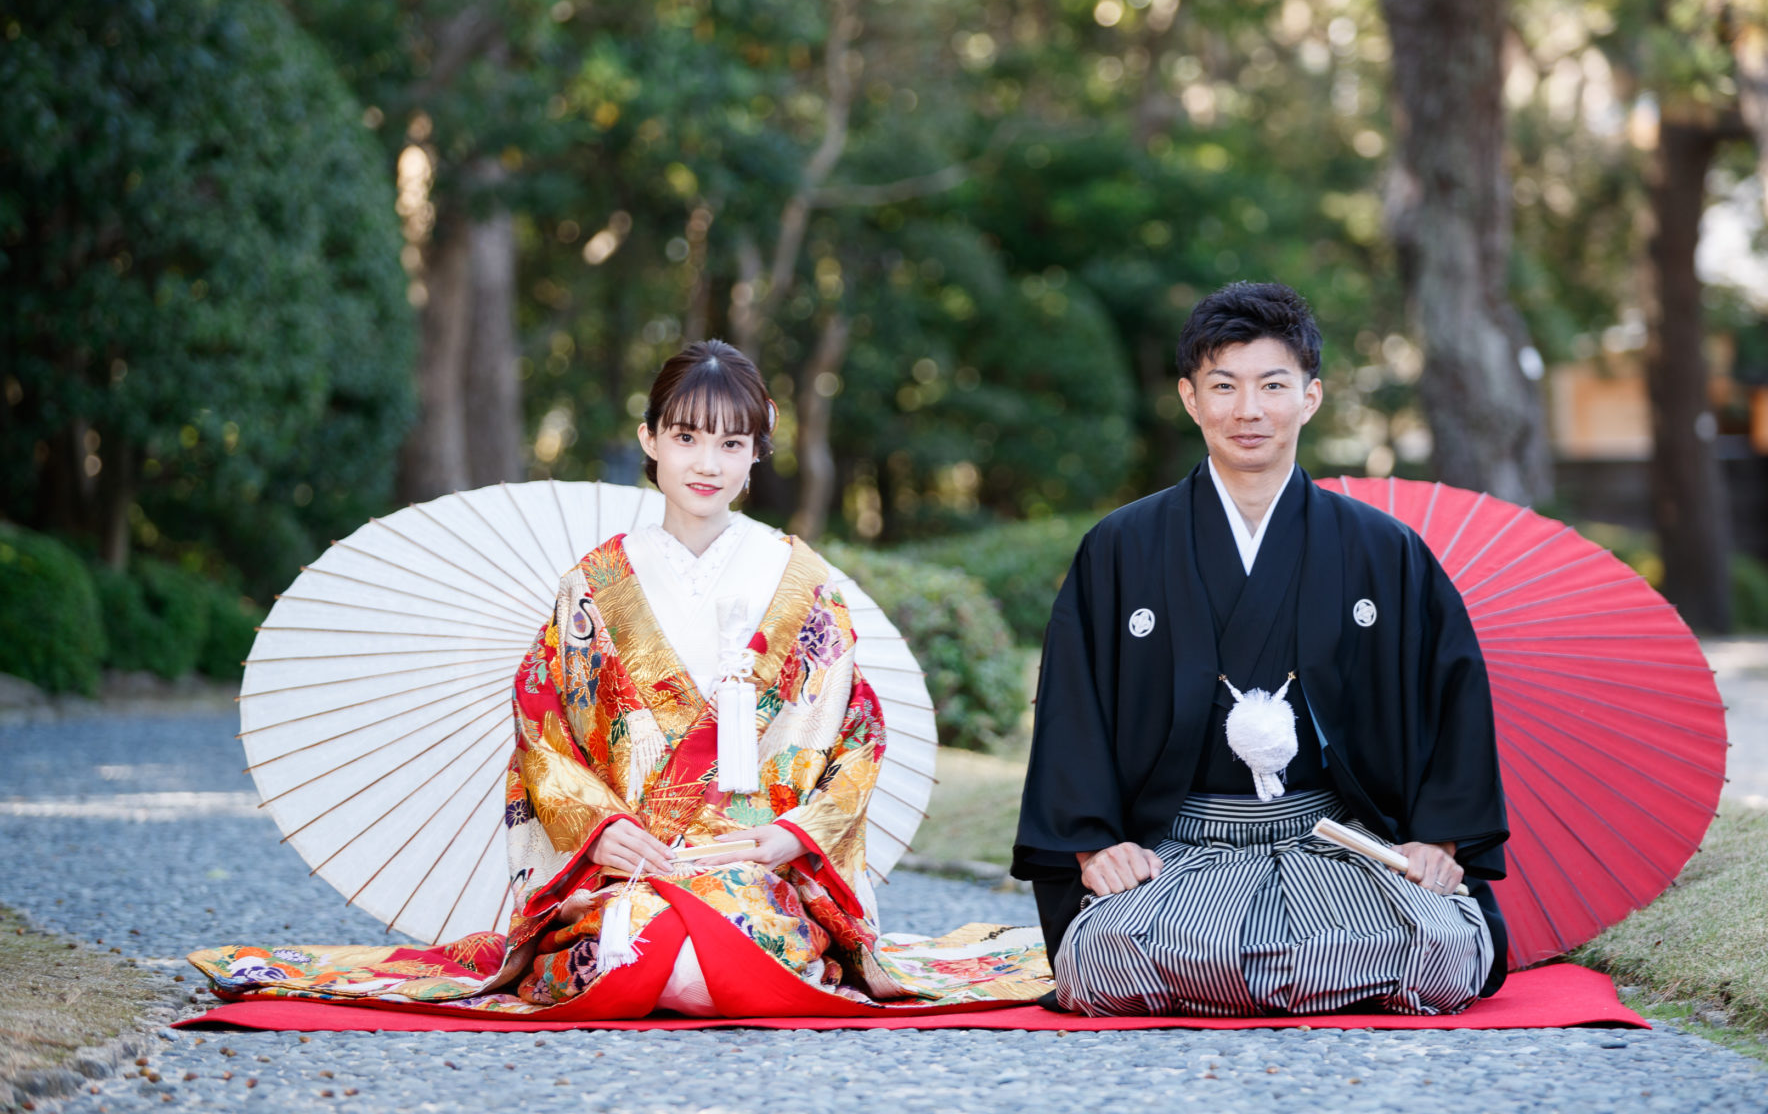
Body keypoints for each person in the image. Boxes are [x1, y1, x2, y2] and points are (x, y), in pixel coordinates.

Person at [192, 340, 1045, 1017]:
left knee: (716, 941)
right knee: (638, 940)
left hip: (760, 866)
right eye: (686, 436)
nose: (706, 461)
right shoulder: (594, 586)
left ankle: (731, 955)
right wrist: (599, 833)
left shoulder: (803, 585)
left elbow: (858, 733)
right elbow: (545, 732)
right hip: (631, 869)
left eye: (730, 442)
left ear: (757, 455)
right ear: (650, 440)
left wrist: (796, 838)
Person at [1013, 283, 1510, 1018]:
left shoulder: (1383, 550)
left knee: (1437, 943)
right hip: (1181, 848)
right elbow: (1073, 706)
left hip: (1337, 842)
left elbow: (1452, 694)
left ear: (1310, 397)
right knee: (1108, 949)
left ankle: (1224, 979)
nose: (1249, 410)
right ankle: (1309, 977)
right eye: (1224, 386)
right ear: (1190, 398)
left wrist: (1440, 838)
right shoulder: (1123, 548)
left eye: (1273, 385)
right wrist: (1093, 846)